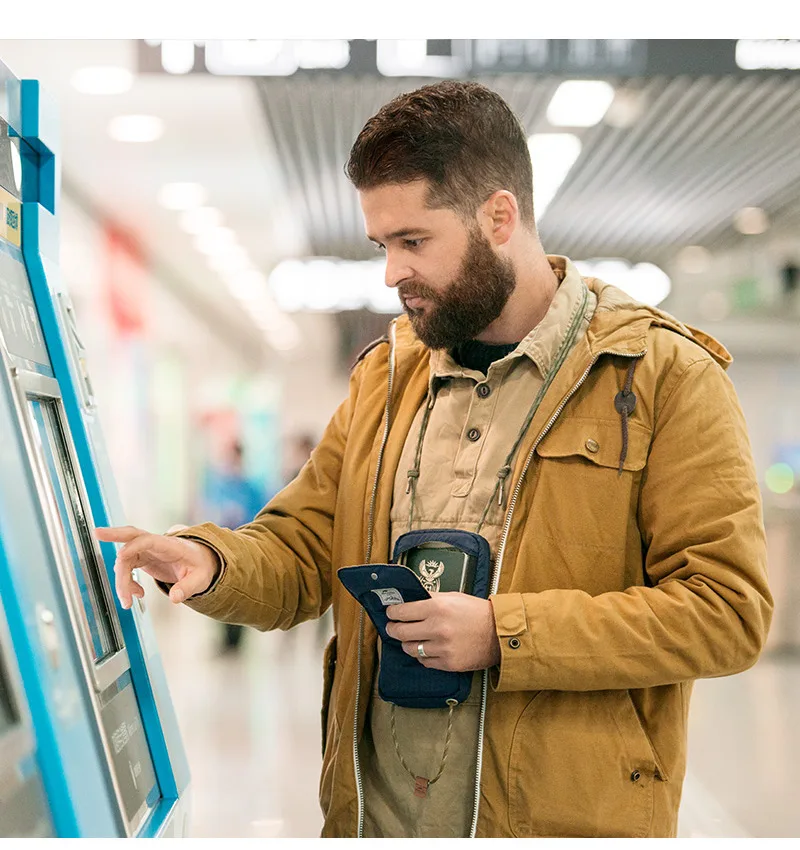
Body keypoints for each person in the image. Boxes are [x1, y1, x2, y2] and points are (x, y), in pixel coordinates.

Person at [96, 81, 773, 838]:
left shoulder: (663, 377)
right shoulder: (387, 377)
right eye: (382, 245)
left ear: (499, 216)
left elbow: (727, 612)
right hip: (377, 820)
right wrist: (210, 560)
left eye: (413, 241)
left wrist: (503, 633)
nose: (390, 273)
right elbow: (304, 547)